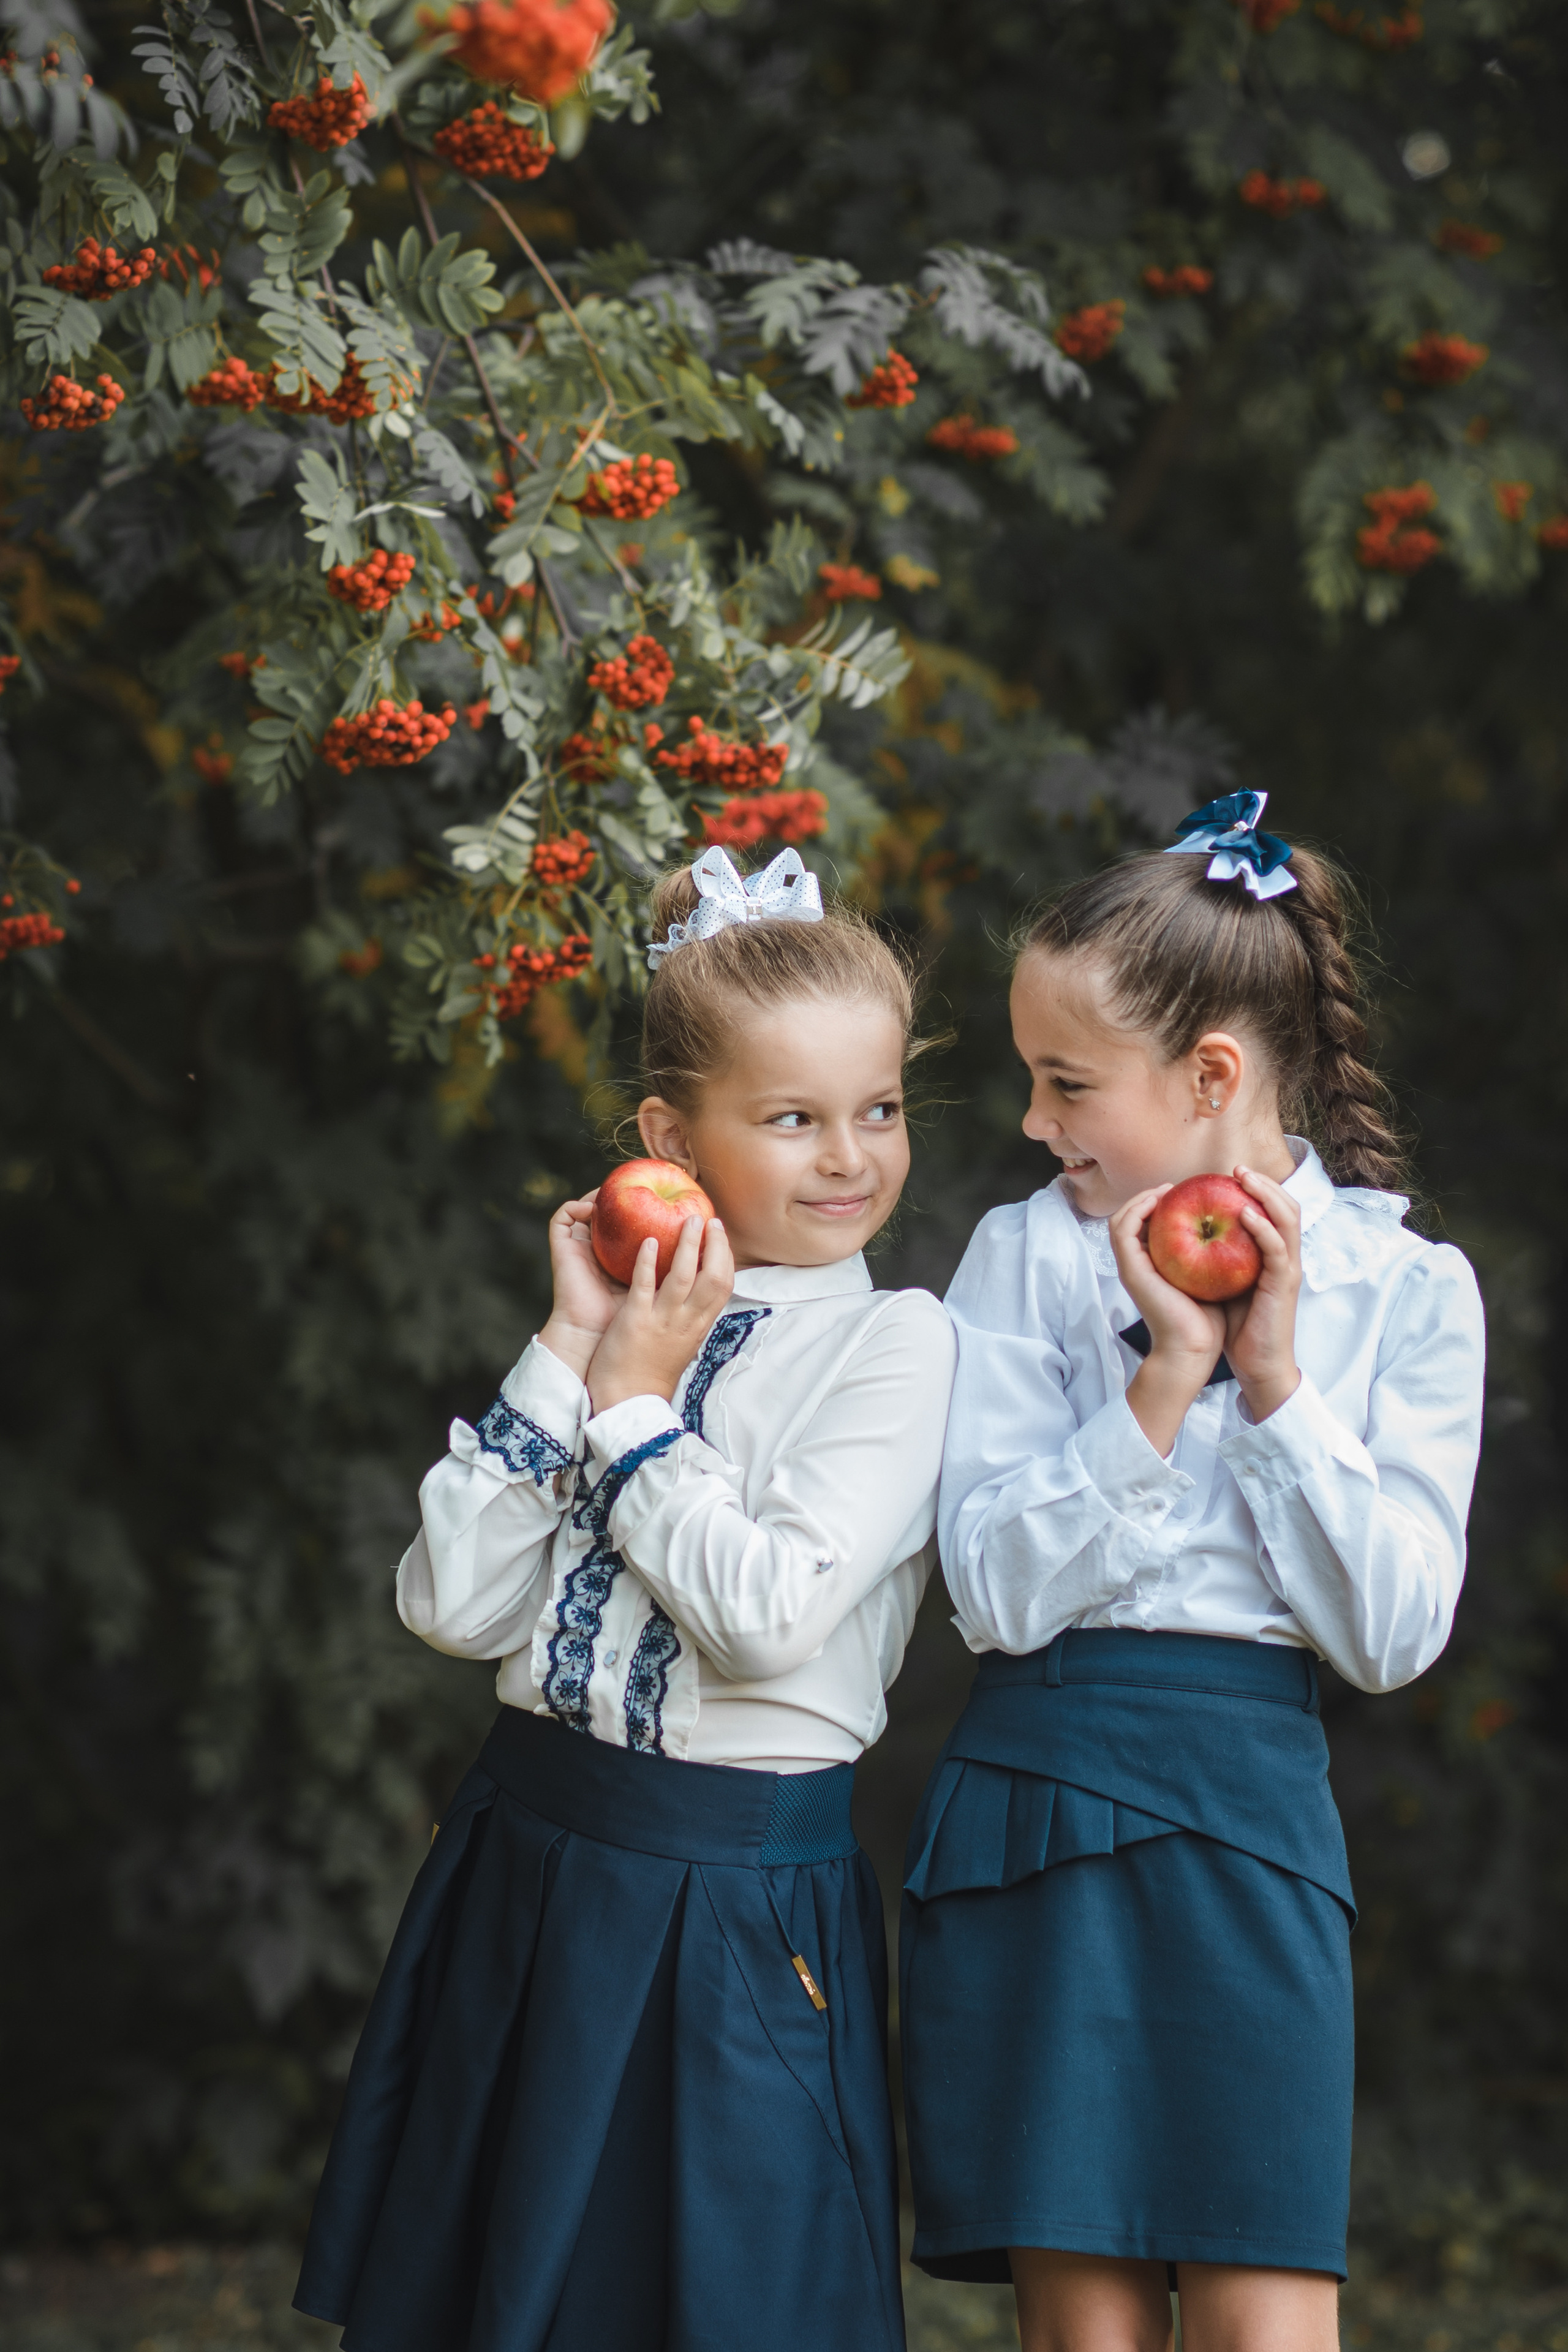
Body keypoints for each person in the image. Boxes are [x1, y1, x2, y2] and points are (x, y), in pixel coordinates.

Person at [293, 843, 956, 2352]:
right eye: (791, 1120)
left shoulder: (895, 1349)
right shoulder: (616, 1328)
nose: (848, 1156)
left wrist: (639, 1413)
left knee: (716, 2301)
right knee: (497, 2295)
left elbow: (769, 1614)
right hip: (525, 1852)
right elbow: (450, 1609)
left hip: (726, 1889)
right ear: (670, 1132)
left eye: (879, 1111)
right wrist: (569, 1344)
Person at [900, 795, 1485, 2352]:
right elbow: (995, 1597)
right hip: (1037, 1801)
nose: (1033, 1124)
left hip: (1246, 1817)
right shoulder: (1026, 1260)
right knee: (1081, 2332)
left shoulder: (1405, 1293)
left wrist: (1277, 1383)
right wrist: (1161, 1378)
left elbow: (1391, 1635)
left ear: (1210, 1073)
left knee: (1263, 2314)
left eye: (1064, 1082)